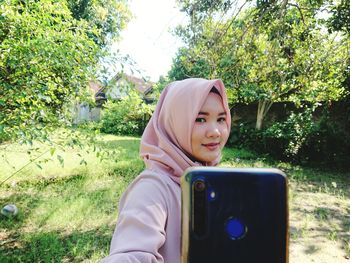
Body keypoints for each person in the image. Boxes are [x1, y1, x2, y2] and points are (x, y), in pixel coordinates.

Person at [102, 78, 231, 263]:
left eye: (221, 119)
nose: (216, 132)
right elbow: (133, 253)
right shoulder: (153, 188)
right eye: (200, 119)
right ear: (174, 123)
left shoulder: (215, 181)